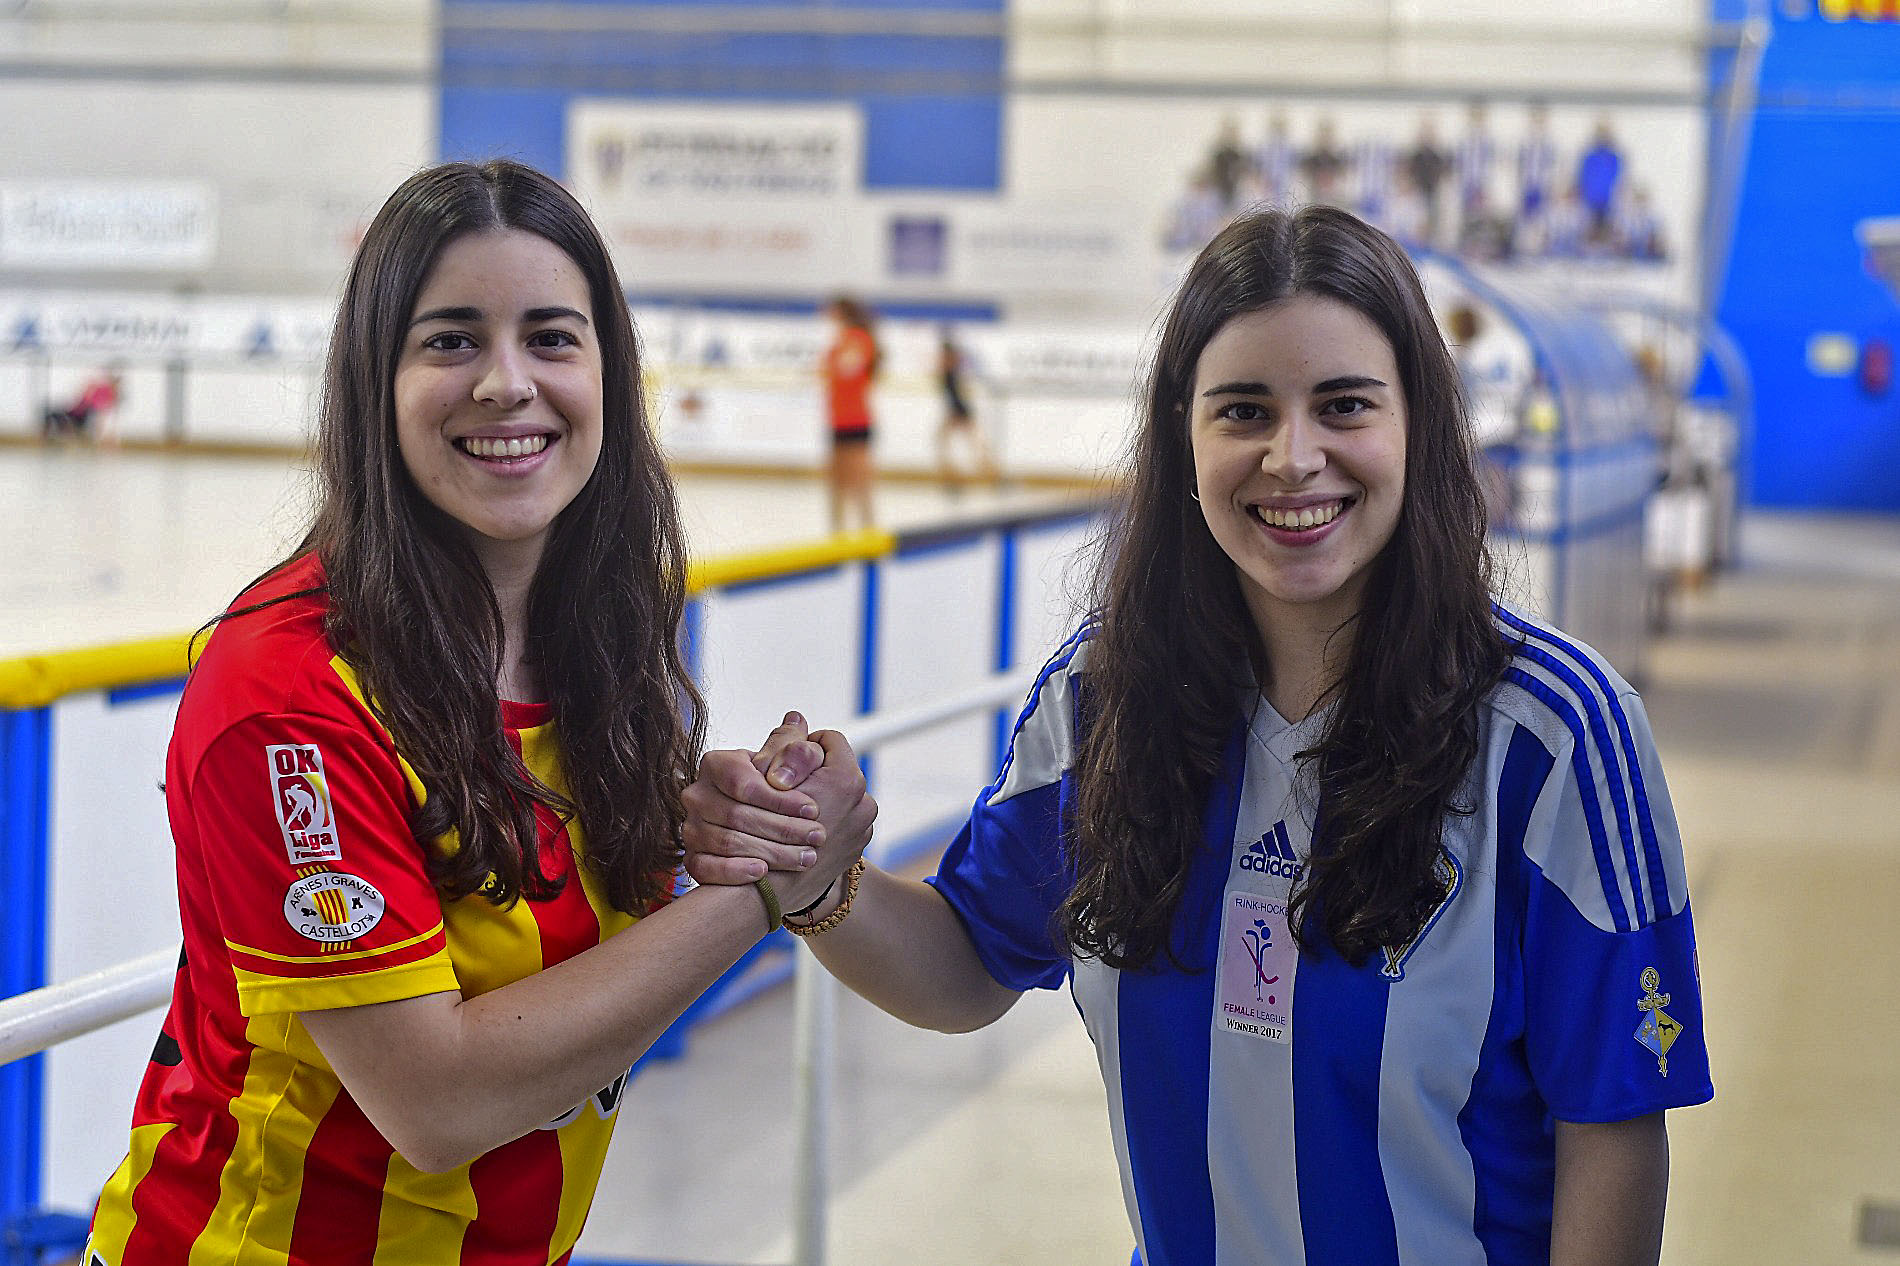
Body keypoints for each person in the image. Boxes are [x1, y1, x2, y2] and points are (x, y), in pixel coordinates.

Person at [686, 205, 1713, 1264]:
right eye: (1243, 411)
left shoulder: (1552, 739)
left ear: (1419, 426)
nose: (1292, 456)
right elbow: (964, 965)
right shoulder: (1102, 700)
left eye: (1345, 405)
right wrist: (818, 879)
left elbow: (1613, 1124)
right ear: (1184, 435)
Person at [84, 159, 873, 1266]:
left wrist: (724, 831)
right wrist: (763, 890)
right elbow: (436, 1100)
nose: (508, 383)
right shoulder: (290, 690)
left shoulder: (599, 637)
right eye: (451, 340)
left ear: (610, 372)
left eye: (552, 337)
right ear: (376, 380)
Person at [821, 294, 881, 532]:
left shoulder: (857, 339)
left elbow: (848, 368)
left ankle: (868, 532)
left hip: (856, 420)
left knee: (860, 482)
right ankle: (837, 533)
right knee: (836, 481)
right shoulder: (840, 341)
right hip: (838, 419)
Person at [936, 324, 1000, 492]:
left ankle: (993, 476)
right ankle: (955, 479)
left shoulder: (952, 370)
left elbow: (957, 394)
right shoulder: (947, 371)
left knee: (975, 445)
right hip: (955, 411)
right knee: (948, 444)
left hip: (960, 411)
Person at [42, 363, 124, 441]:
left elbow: (99, 411)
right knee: (51, 414)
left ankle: (62, 433)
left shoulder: (106, 395)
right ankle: (48, 436)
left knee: (56, 416)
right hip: (76, 412)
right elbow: (85, 397)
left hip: (80, 416)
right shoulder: (101, 388)